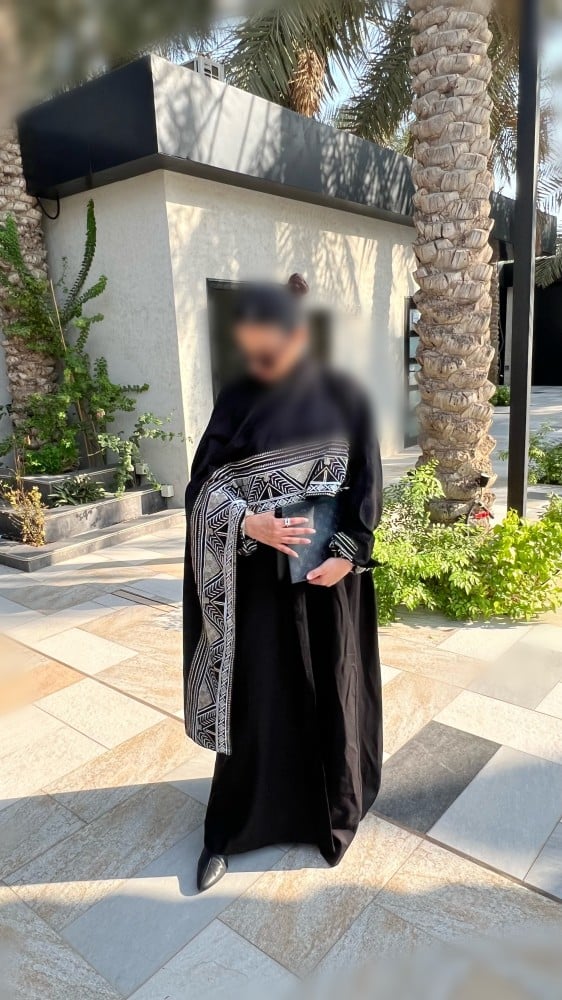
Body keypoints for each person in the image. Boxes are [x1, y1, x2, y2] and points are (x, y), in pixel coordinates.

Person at [183, 274, 383, 892]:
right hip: (258, 584)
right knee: (258, 699)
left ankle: (331, 813)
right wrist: (249, 522)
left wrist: (349, 554)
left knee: (330, 689)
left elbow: (367, 481)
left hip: (327, 582)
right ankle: (232, 830)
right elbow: (201, 488)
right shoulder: (238, 398)